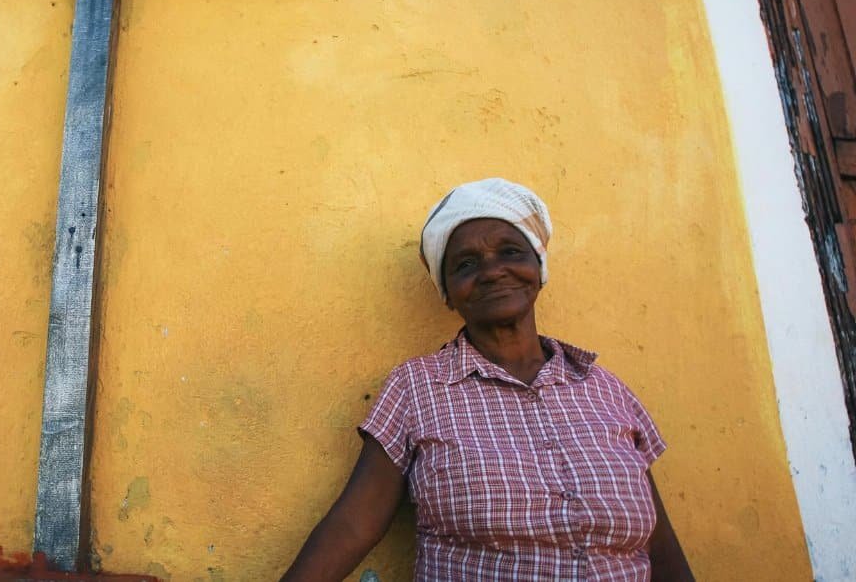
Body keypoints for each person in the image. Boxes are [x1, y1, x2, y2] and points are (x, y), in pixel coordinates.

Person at [281, 178, 694, 581]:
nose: (493, 271)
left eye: (511, 251)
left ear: (538, 266)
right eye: (466, 264)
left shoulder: (605, 389)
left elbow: (659, 546)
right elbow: (354, 525)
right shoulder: (418, 387)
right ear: (448, 291)